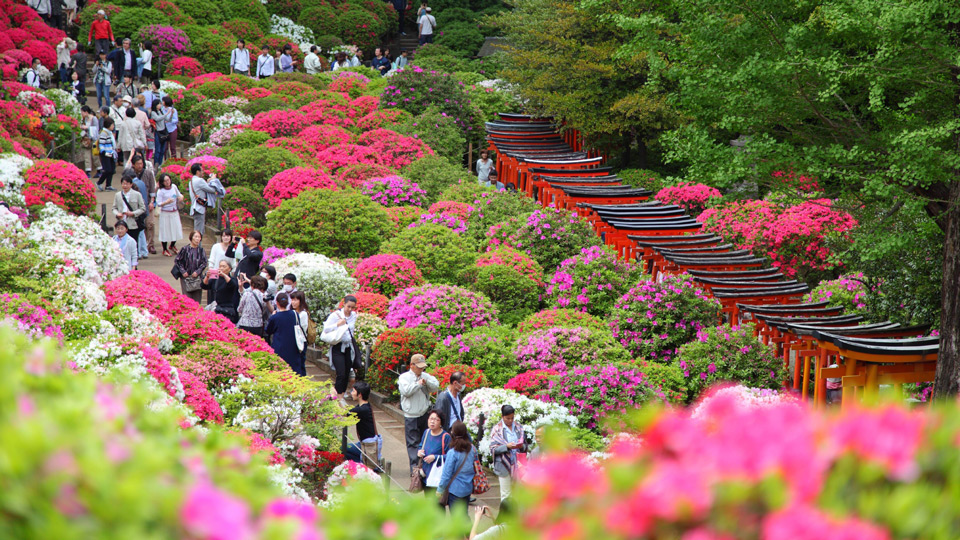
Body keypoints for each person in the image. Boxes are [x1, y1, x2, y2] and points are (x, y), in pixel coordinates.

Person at [398, 354, 440, 473]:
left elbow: (435, 386)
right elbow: (406, 392)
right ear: (412, 365)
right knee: (413, 443)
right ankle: (415, 469)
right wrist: (418, 384)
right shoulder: (404, 377)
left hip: (424, 414)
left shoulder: (425, 375)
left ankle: (424, 466)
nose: (421, 370)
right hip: (411, 415)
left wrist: (426, 382)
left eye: (423, 367)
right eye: (419, 367)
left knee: (425, 441)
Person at [322, 295, 358, 398]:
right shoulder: (336, 315)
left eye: (352, 307)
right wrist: (338, 324)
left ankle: (341, 396)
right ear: (344, 304)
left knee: (346, 373)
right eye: (348, 307)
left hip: (348, 347)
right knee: (341, 373)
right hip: (338, 346)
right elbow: (326, 329)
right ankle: (336, 396)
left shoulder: (353, 315)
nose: (350, 309)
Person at [438, 420, 476, 516]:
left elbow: (446, 474)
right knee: (465, 515)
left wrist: (440, 490)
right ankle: (470, 531)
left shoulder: (452, 453)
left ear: (453, 433)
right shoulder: (472, 449)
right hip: (467, 488)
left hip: (455, 490)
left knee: (457, 518)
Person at [337, 381, 379, 466]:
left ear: (359, 394)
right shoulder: (364, 406)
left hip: (367, 445)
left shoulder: (362, 410)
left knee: (342, 449)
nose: (351, 393)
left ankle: (362, 464)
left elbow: (343, 412)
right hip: (363, 442)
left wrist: (335, 397)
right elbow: (348, 411)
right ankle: (360, 463)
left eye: (353, 391)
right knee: (346, 451)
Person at [489, 405, 525, 501]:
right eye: (507, 418)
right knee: (506, 494)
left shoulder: (518, 427)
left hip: (517, 465)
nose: (510, 421)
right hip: (503, 465)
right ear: (502, 416)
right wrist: (506, 447)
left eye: (512, 418)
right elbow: (493, 449)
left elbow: (525, 445)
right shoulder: (497, 429)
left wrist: (521, 446)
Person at [266, 292, 305, 375]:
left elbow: (268, 330)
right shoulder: (295, 314)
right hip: (293, 346)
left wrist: (272, 316)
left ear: (277, 303)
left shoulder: (275, 317)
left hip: (280, 346)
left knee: (281, 370)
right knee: (294, 370)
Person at [417, 409, 451, 494]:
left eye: (436, 419)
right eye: (430, 419)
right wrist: (419, 451)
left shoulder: (445, 437)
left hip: (437, 476)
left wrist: (435, 457)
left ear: (441, 423)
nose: (432, 421)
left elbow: (450, 456)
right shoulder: (426, 432)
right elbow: (421, 445)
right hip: (425, 475)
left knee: (438, 505)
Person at [226, 231, 264, 305]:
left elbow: (250, 256)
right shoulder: (245, 250)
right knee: (233, 302)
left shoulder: (258, 253)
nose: (248, 239)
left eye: (251, 238)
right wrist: (233, 243)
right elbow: (229, 253)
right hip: (237, 279)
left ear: (257, 241)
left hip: (246, 281)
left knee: (245, 302)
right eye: (248, 237)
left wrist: (244, 244)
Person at [112, 174, 146, 252]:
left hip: (133, 223)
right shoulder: (118, 195)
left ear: (131, 184)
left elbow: (142, 208)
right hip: (122, 222)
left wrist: (133, 213)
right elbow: (114, 208)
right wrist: (117, 214)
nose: (125, 185)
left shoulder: (137, 194)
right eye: (123, 183)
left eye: (127, 183)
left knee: (133, 243)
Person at [174, 231, 208, 303]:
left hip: (197, 278)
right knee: (187, 298)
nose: (197, 239)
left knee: (197, 299)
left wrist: (198, 271)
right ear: (191, 238)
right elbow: (177, 261)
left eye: (199, 237)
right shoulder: (185, 249)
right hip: (186, 277)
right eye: (195, 237)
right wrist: (183, 271)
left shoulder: (201, 250)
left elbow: (204, 262)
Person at [155, 172, 183, 256]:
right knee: (165, 231)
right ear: (162, 182)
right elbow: (158, 203)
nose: (167, 182)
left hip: (174, 211)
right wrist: (166, 202)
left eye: (168, 180)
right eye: (165, 181)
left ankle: (172, 245)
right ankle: (164, 248)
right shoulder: (161, 191)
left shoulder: (174, 187)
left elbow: (179, 195)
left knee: (176, 229)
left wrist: (181, 197)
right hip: (165, 213)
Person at [188, 162, 218, 234]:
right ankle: (197, 245)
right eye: (201, 170)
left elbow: (202, 188)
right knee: (199, 231)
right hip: (199, 208)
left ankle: (197, 245)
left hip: (195, 207)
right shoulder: (200, 180)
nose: (203, 172)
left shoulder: (192, 181)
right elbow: (212, 190)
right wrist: (213, 180)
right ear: (198, 172)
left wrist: (208, 182)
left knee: (198, 229)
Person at [97, 117, 118, 191]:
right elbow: (101, 144)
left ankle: (108, 185)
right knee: (107, 169)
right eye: (112, 125)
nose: (113, 126)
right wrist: (103, 152)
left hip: (111, 153)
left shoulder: (109, 133)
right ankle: (99, 182)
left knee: (112, 169)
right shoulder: (104, 133)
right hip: (106, 154)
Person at [290, 290, 310, 367]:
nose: (293, 302)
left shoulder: (303, 314)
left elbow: (302, 327)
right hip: (293, 341)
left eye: (296, 300)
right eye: (292, 300)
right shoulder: (292, 312)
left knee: (300, 363)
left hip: (300, 341)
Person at [80, 106, 99, 178]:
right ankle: (88, 171)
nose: (81, 113)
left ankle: (99, 169)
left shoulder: (94, 118)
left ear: (86, 112)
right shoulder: (84, 119)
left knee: (95, 156)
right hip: (86, 139)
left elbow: (96, 129)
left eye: (82, 112)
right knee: (86, 156)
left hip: (93, 140)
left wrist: (87, 128)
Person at [149, 99, 168, 167]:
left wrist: (170, 114)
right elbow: (157, 119)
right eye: (158, 104)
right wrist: (166, 114)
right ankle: (156, 164)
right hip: (157, 132)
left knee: (162, 150)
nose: (160, 105)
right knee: (158, 150)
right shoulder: (153, 113)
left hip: (163, 132)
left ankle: (160, 164)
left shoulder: (161, 111)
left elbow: (167, 119)